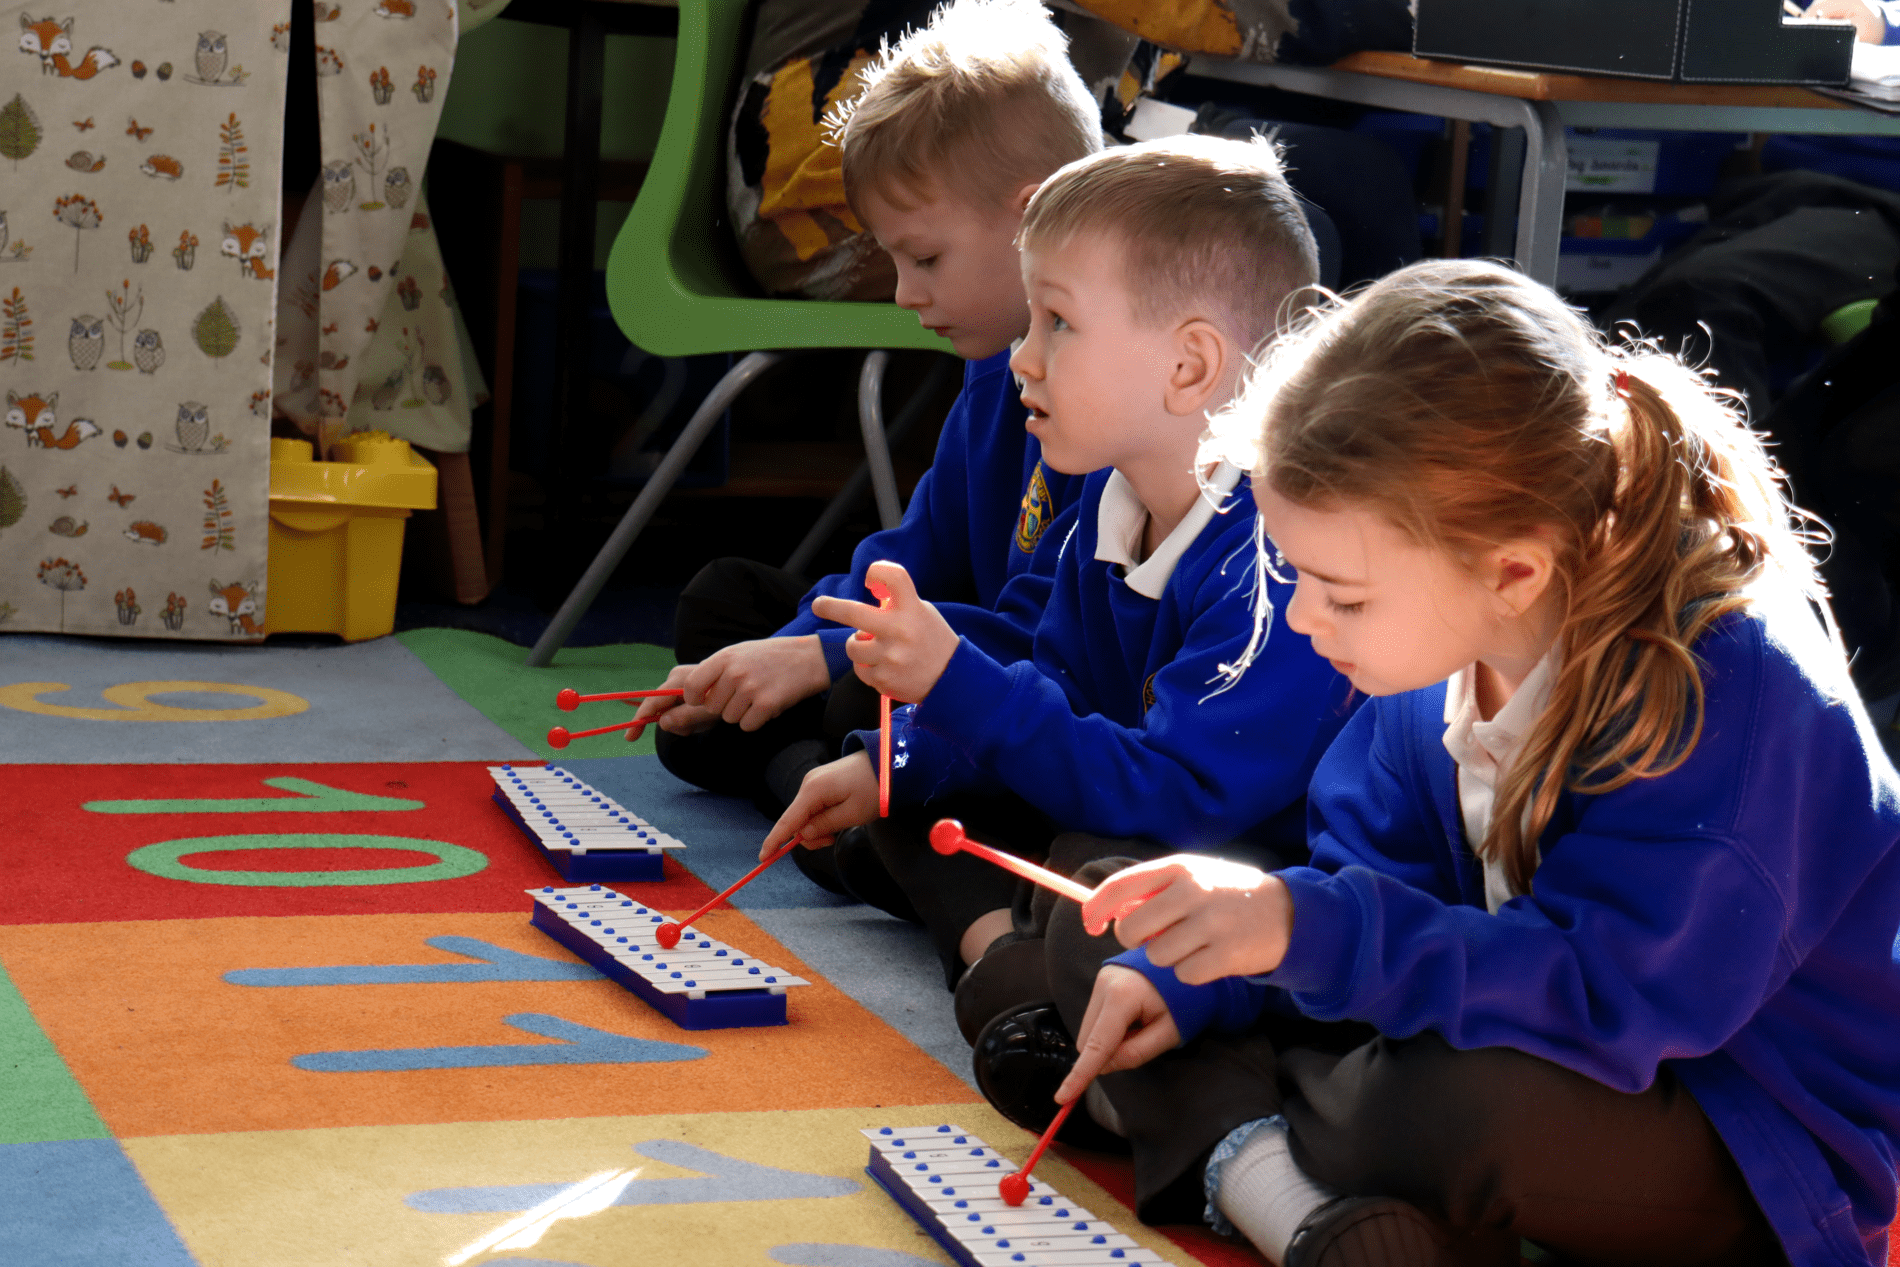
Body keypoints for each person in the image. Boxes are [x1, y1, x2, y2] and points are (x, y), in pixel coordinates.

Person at [1024, 259, 1900, 1266]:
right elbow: (1374, 891)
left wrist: (1291, 935)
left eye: (1342, 595)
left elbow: (1610, 1001)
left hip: (1736, 1129)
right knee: (1112, 912)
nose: (1305, 620)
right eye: (1294, 576)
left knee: (1440, 1107)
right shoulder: (1437, 656)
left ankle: (1236, 1150)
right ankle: (1310, 1194)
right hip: (1486, 1019)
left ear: (1513, 571)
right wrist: (1215, 973)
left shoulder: (1728, 686)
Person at [758, 136, 1356, 1053]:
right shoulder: (1110, 509)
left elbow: (1182, 799)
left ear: (1189, 366)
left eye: (1057, 324)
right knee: (916, 803)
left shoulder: (1273, 564)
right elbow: (1058, 681)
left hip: (1247, 862)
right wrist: (896, 764)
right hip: (1125, 806)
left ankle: (1015, 969)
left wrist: (954, 681)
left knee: (1095, 873)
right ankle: (1009, 959)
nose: (1023, 358)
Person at [635, 0, 1098, 835]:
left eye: (924, 258)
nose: (903, 293)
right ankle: (821, 768)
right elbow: (915, 553)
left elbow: (1045, 636)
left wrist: (817, 655)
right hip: (946, 642)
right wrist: (784, 647)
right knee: (723, 605)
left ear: (1033, 221)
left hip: (1018, 682)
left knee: (857, 683)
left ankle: (834, 776)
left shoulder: (1106, 408)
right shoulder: (992, 370)